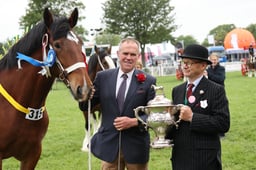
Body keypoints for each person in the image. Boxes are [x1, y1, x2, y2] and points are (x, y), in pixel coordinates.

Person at [79, 37, 156, 170]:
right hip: (109, 148)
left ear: (138, 57)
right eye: (125, 53)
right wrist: (84, 96)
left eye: (133, 54)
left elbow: (155, 115)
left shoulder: (148, 81)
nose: (128, 57)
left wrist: (134, 122)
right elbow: (86, 106)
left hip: (136, 148)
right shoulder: (103, 77)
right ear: (118, 54)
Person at [165, 44, 230, 170]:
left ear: (203, 65)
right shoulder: (177, 90)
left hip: (204, 158)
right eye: (184, 62)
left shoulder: (216, 90)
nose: (185, 66)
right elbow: (176, 123)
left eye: (190, 63)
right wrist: (166, 125)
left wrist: (193, 117)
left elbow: (223, 123)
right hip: (180, 156)